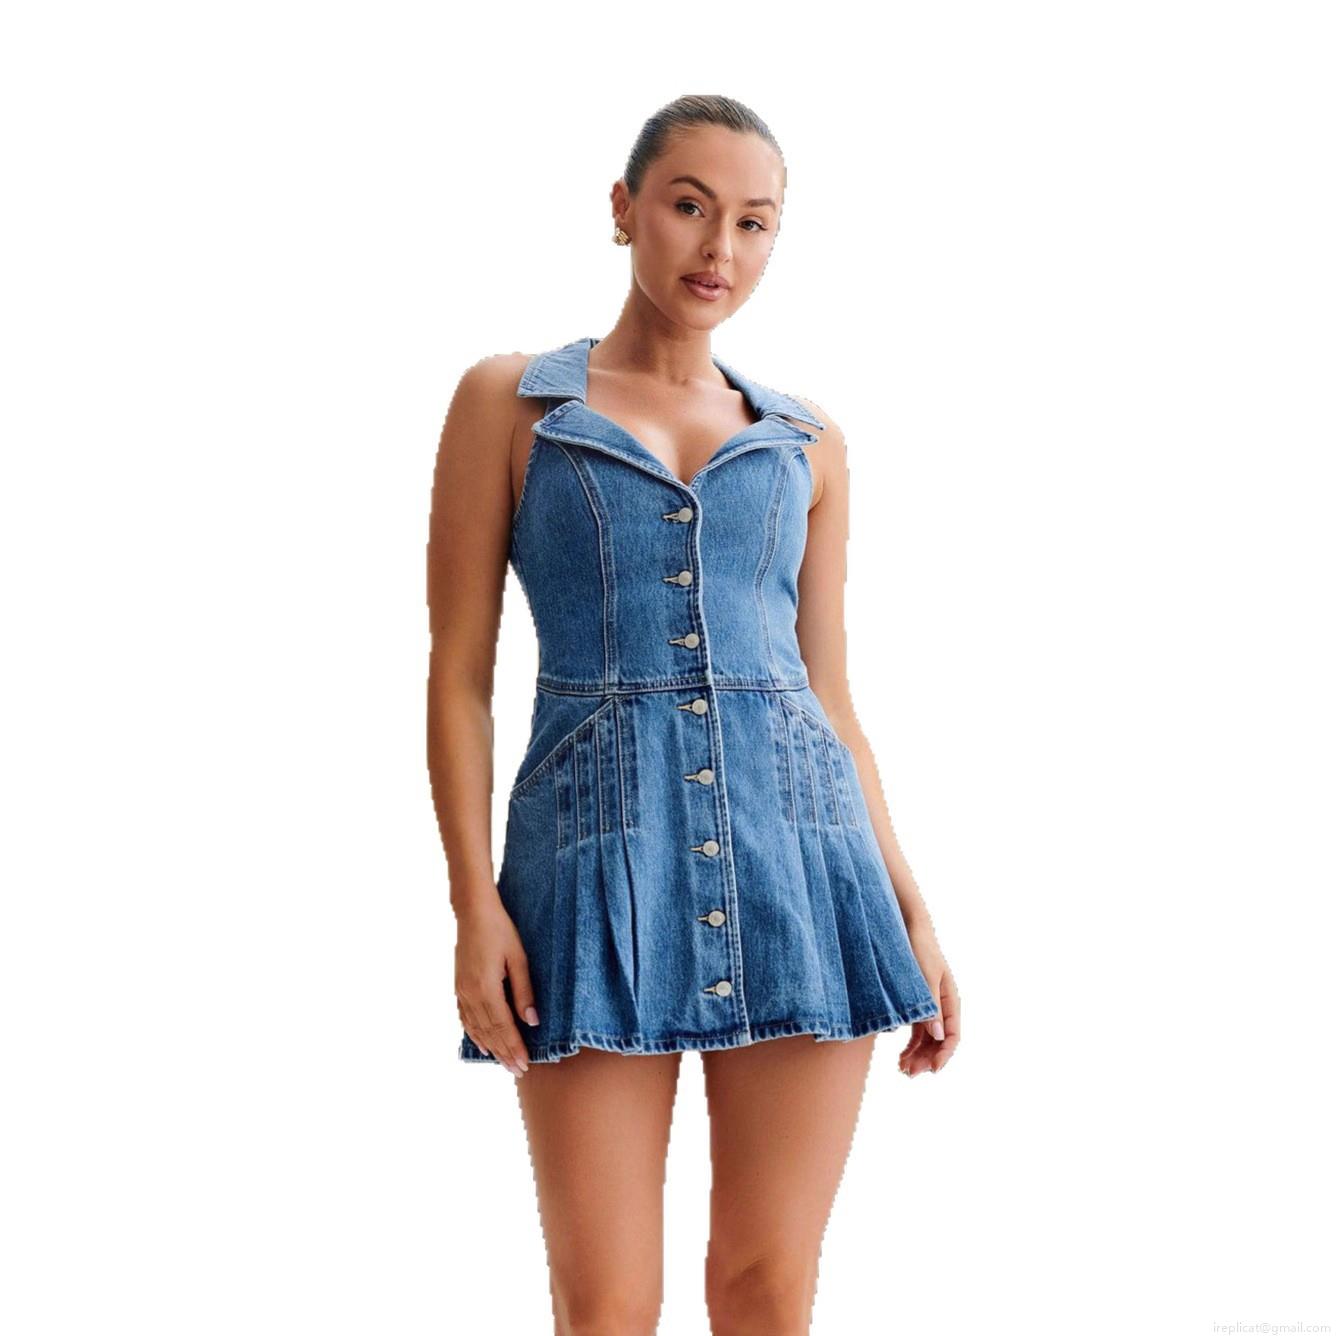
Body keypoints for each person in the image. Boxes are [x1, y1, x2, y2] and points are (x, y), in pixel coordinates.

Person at [427, 93, 960, 1336]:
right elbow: (458, 672)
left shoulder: (806, 442)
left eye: (754, 222)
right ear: (624, 210)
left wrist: (910, 907)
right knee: (606, 1303)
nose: (720, 247)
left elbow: (827, 696)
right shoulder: (512, 404)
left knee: (765, 1289)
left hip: (806, 874)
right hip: (589, 874)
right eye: (688, 205)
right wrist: (472, 905)